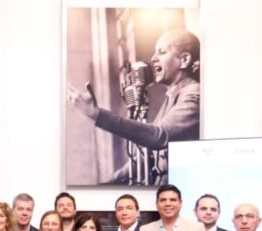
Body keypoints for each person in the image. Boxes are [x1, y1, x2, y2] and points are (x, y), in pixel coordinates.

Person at [70, 29, 200, 185]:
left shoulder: (194, 93)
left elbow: (158, 136)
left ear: (184, 60)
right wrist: (107, 184)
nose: (153, 58)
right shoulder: (172, 96)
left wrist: (97, 114)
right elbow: (146, 157)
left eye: (162, 52)